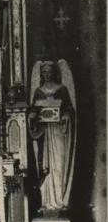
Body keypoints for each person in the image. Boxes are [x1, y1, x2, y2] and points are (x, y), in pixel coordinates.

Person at [28, 61, 74, 211]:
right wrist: (33, 115)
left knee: (59, 163)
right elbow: (32, 110)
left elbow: (69, 109)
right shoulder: (38, 91)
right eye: (44, 72)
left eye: (49, 72)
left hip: (58, 132)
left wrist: (66, 116)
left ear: (55, 73)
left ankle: (59, 201)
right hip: (43, 133)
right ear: (41, 74)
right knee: (44, 165)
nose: (47, 75)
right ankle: (47, 202)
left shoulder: (62, 89)